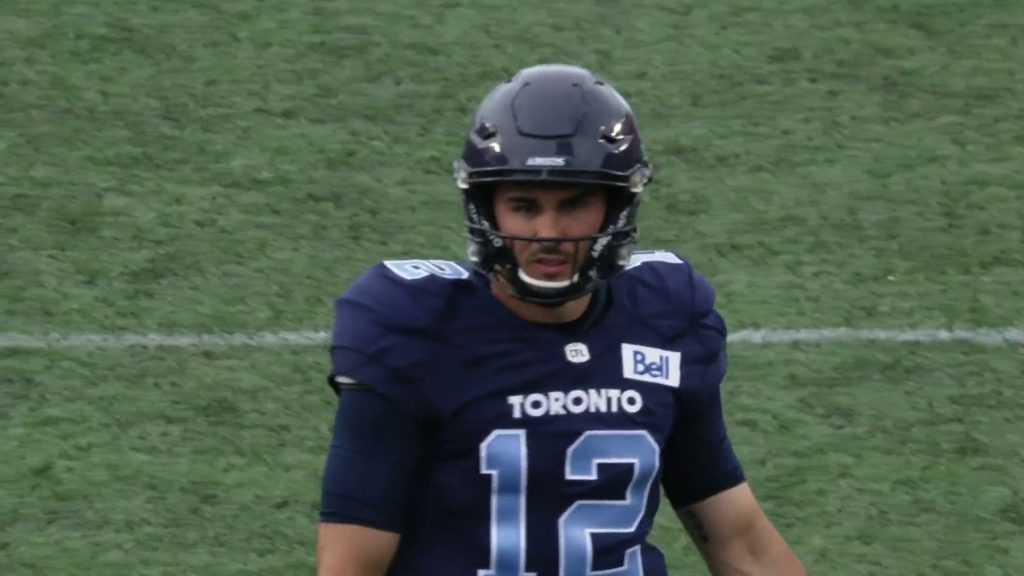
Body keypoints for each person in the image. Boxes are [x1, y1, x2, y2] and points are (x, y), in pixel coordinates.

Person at [317, 63, 806, 576]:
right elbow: (350, 566)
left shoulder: (664, 315)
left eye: (573, 205)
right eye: (525, 206)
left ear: (616, 207)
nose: (549, 233)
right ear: (486, 208)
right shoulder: (413, 326)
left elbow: (739, 541)